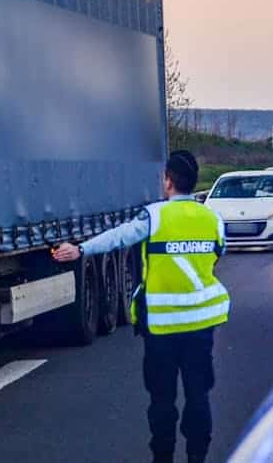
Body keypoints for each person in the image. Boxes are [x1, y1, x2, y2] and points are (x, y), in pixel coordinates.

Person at [52, 150, 229, 463]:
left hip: (161, 329)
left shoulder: (155, 216)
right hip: (201, 328)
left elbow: (119, 237)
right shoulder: (212, 219)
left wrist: (80, 250)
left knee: (162, 402)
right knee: (198, 396)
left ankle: (163, 458)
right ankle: (197, 457)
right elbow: (219, 251)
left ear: (169, 181)